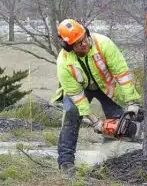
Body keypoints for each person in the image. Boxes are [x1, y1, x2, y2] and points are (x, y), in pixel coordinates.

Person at [51, 18, 141, 176]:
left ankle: (114, 155)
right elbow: (77, 96)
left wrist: (132, 102)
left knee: (121, 123)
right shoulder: (63, 63)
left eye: (83, 38)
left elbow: (122, 74)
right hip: (80, 89)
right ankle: (66, 163)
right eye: (78, 43)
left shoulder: (103, 44)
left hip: (105, 85)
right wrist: (95, 122)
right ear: (68, 46)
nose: (83, 43)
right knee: (71, 114)